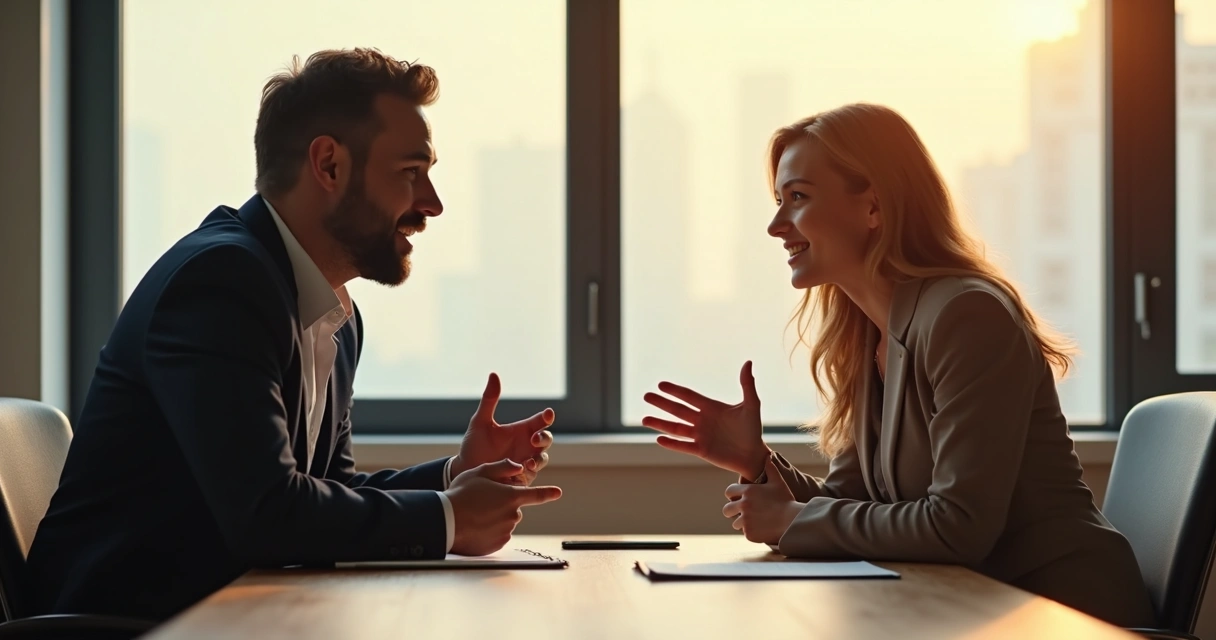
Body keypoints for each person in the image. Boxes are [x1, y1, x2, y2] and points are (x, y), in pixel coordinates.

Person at [26, 48, 561, 622]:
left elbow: (326, 489)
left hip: (235, 618)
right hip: (134, 625)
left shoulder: (334, 315)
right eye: (410, 172)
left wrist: (455, 475)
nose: (431, 204)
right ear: (329, 165)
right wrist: (449, 517)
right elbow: (268, 514)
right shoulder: (220, 283)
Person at [641, 103, 1156, 627]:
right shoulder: (867, 334)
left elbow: (958, 527)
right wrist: (758, 463)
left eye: (797, 198)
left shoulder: (966, 315)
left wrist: (791, 519)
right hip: (972, 609)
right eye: (778, 200)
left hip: (1067, 616)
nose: (776, 225)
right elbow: (850, 504)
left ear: (874, 208)